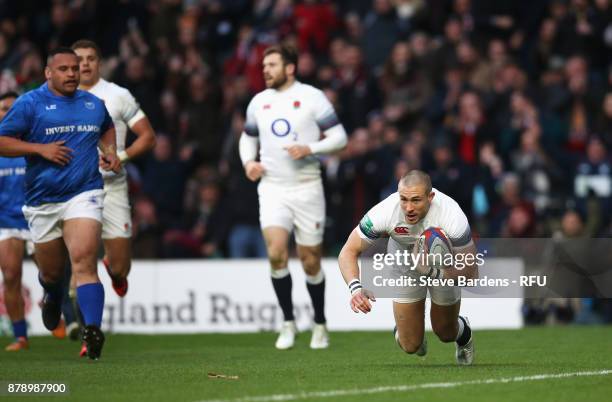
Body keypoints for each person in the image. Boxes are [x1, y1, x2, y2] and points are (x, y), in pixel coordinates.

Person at [0, 47, 120, 360]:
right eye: (64, 69)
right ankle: (51, 296)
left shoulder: (93, 104)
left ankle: (91, 330)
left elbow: (106, 127)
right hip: (42, 201)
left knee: (83, 260)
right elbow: (2, 141)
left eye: (75, 69)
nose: (71, 74)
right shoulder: (29, 104)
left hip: (84, 193)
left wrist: (110, 151)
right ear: (48, 73)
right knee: (52, 274)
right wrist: (39, 149)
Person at [239, 44, 348, 349]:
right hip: (272, 187)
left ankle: (320, 323)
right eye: (264, 66)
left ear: (290, 68)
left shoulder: (312, 98)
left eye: (272, 64)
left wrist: (310, 148)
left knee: (311, 261)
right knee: (276, 253)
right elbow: (247, 138)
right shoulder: (259, 102)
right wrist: (249, 163)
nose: (266, 70)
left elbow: (340, 137)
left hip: (307, 187)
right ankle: (287, 323)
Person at [338, 170, 477, 364]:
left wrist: (432, 271)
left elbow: (471, 272)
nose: (408, 207)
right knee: (411, 345)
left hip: (443, 264)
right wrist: (355, 288)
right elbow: (348, 251)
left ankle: (464, 334)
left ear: (431, 197)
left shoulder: (452, 215)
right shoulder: (385, 211)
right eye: (403, 199)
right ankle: (409, 331)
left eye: (416, 200)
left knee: (445, 332)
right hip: (403, 260)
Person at [71, 39, 156, 298]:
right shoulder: (59, 98)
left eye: (90, 58)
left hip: (113, 186)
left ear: (100, 63)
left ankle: (112, 267)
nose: (85, 64)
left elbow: (148, 136)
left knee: (120, 268)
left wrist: (122, 156)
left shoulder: (118, 95)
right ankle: (86, 323)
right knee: (82, 261)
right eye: (79, 59)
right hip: (76, 189)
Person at [0, 91, 31, 351]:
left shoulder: (35, 144)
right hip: (7, 220)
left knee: (52, 274)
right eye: (3, 108)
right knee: (11, 275)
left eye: (12, 108)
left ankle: (55, 303)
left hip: (39, 217)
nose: (7, 112)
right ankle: (21, 336)